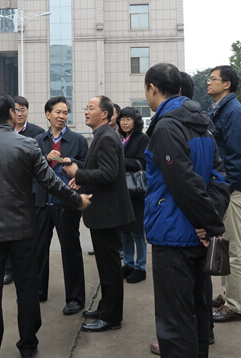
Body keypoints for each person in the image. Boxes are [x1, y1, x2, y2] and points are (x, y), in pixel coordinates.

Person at [0, 93, 92, 358]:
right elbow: (50, 182)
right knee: (27, 289)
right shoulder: (28, 145)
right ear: (11, 113)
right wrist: (77, 200)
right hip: (24, 229)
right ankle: (28, 345)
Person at [143, 62, 228, 358]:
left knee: (176, 321)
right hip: (197, 234)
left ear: (152, 88)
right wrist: (210, 221)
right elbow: (219, 179)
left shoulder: (167, 126)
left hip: (173, 236)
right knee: (197, 310)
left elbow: (183, 183)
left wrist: (209, 224)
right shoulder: (202, 124)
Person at [63, 96, 134, 332]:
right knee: (105, 266)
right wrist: (81, 179)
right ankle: (105, 307)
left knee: (110, 267)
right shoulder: (102, 135)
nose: (86, 111)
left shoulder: (106, 137)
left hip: (108, 213)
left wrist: (78, 173)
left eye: (91, 108)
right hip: (103, 212)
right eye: (86, 108)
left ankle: (111, 317)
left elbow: (108, 174)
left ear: (104, 114)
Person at [33, 96, 89, 315]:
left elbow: (86, 165)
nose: (62, 116)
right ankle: (38, 291)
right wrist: (46, 159)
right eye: (58, 112)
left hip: (66, 202)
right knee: (38, 250)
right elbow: (30, 168)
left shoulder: (78, 140)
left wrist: (71, 162)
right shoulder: (38, 140)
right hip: (42, 202)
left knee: (71, 251)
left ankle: (75, 298)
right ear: (48, 115)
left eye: (65, 112)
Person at [207, 65, 241, 323]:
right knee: (224, 245)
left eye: (213, 79)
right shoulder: (218, 108)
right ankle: (227, 296)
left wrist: (226, 189)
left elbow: (238, 155)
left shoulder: (233, 111)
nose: (208, 82)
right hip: (223, 187)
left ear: (227, 84)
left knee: (233, 248)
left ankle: (236, 306)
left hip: (230, 189)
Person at [4, 96, 46, 285]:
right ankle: (9, 269)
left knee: (30, 234)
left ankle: (28, 269)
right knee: (9, 231)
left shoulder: (38, 133)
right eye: (16, 110)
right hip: (9, 190)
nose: (19, 113)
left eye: (23, 109)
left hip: (32, 191)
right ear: (10, 112)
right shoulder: (4, 133)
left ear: (28, 111)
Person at [117, 107, 150, 284]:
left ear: (135, 121)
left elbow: (142, 162)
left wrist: (119, 160)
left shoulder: (142, 138)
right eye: (122, 119)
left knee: (137, 231)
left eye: (128, 119)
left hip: (136, 191)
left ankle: (140, 267)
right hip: (121, 191)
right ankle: (128, 264)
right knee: (125, 231)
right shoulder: (118, 137)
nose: (125, 122)